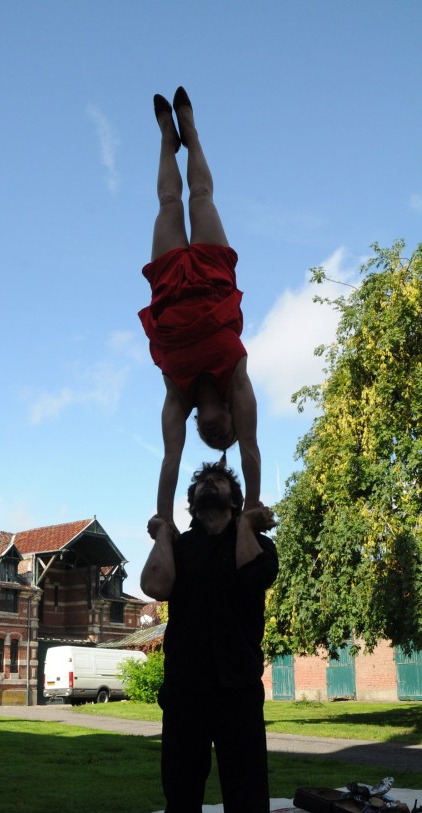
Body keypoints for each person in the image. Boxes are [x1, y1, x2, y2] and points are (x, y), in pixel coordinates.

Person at [139, 462, 279, 813]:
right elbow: (154, 588)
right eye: (201, 486)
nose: (209, 487)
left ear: (236, 501)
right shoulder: (181, 547)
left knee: (248, 807)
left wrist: (245, 524)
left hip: (238, 692)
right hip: (185, 693)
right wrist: (162, 534)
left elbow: (250, 579)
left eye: (220, 484)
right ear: (192, 502)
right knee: (180, 800)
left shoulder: (257, 545)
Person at [139, 87, 261, 524]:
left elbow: (170, 460)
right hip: (212, 281)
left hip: (170, 289)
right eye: (223, 435)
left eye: (208, 439)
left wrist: (163, 516)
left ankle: (165, 138)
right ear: (232, 416)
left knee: (169, 203)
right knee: (202, 198)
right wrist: (252, 505)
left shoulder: (177, 397)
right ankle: (191, 130)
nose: (216, 435)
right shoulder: (238, 380)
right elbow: (249, 447)